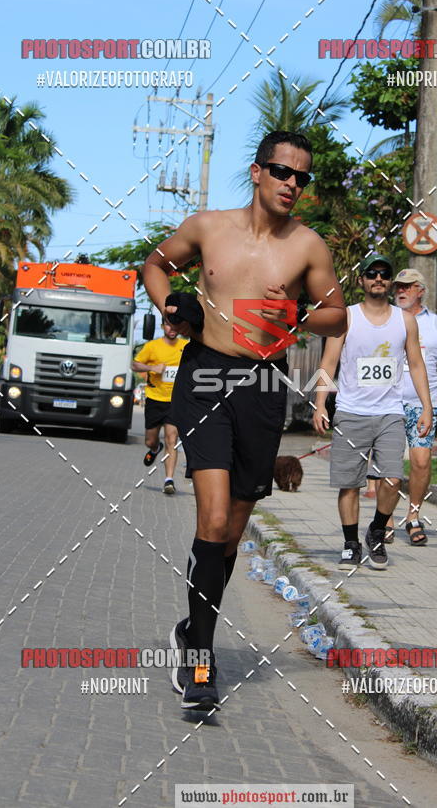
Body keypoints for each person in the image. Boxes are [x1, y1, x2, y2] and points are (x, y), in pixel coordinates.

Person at [142, 130, 347, 711]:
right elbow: (154, 265)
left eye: (302, 178)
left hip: (262, 386)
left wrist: (302, 312)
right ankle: (201, 661)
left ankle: (190, 629)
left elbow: (338, 318)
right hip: (206, 375)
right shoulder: (208, 227)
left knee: (232, 531)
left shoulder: (308, 246)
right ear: (257, 172)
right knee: (210, 518)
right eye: (284, 173)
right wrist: (170, 307)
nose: (293, 185)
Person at [313, 254, 432, 570]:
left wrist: (427, 407)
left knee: (392, 479)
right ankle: (351, 544)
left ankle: (377, 531)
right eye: (372, 274)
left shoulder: (404, 320)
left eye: (384, 274)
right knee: (349, 484)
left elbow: (417, 365)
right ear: (361, 280)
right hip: (351, 412)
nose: (378, 278)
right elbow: (328, 363)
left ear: (390, 281)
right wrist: (321, 402)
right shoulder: (347, 318)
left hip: (390, 413)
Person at [388, 267, 437, 545]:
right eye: (398, 287)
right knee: (389, 467)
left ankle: (413, 516)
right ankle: (386, 519)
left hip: (423, 405)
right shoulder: (386, 319)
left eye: (407, 286)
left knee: (421, 461)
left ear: (421, 290)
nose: (401, 291)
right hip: (389, 404)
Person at [132, 320, 189, 494]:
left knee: (172, 438)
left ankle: (169, 480)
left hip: (176, 400)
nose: (172, 329)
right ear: (163, 326)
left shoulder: (186, 346)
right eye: (169, 325)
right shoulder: (152, 346)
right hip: (155, 399)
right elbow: (134, 365)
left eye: (175, 325)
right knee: (150, 440)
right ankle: (156, 448)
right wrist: (152, 367)